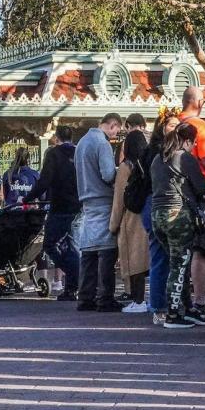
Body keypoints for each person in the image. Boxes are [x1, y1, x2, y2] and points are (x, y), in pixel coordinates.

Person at [150, 122, 205, 329]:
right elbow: (202, 188)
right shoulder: (184, 158)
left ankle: (188, 308)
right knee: (179, 264)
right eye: (193, 143)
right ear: (187, 141)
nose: (193, 147)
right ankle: (174, 314)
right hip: (178, 216)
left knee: (178, 264)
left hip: (157, 216)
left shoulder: (158, 159)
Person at [25, 125, 81, 301]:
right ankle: (73, 285)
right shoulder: (79, 152)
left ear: (56, 137)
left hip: (60, 206)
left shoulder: (53, 154)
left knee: (50, 244)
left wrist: (28, 198)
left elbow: (45, 181)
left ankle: (74, 273)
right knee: (72, 245)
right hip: (79, 205)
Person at [178, 87, 205, 318]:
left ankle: (176, 300)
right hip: (200, 193)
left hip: (175, 193)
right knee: (200, 249)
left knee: (177, 252)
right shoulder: (200, 127)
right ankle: (200, 300)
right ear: (199, 102)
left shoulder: (172, 122)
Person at [75, 113, 123, 312]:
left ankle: (85, 296)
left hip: (86, 200)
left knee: (88, 252)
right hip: (103, 200)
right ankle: (105, 298)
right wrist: (120, 172)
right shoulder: (101, 144)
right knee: (106, 251)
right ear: (112, 125)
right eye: (117, 131)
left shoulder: (82, 143)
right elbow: (108, 173)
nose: (115, 135)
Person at [143, 109, 181, 325]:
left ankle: (167, 303)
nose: (174, 129)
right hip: (157, 204)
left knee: (169, 257)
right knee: (160, 255)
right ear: (161, 127)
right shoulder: (158, 153)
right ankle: (159, 306)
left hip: (158, 205)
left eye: (177, 125)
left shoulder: (165, 151)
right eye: (170, 125)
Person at [110, 128, 150, 313]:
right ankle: (149, 299)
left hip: (131, 217)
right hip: (147, 213)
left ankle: (137, 300)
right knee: (147, 260)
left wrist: (113, 224)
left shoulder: (126, 167)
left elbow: (119, 198)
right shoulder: (149, 162)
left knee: (133, 261)